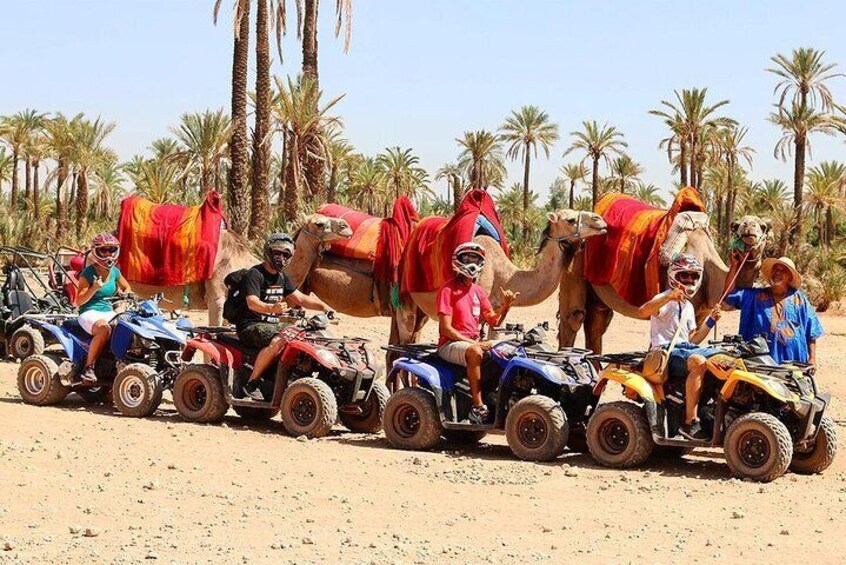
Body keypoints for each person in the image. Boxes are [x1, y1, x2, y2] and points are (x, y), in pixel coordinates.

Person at [233, 233, 332, 401]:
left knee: (306, 335)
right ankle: (252, 384)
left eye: (285, 255)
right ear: (268, 252)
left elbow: (301, 299)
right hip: (250, 326)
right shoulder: (255, 274)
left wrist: (325, 307)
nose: (281, 258)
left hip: (272, 325)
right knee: (282, 338)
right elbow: (252, 303)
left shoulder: (282, 277)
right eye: (277, 253)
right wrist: (272, 308)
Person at [637, 254, 721, 440]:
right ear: (674, 275)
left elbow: (694, 340)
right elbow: (643, 311)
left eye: (694, 276)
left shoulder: (689, 307)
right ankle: (690, 422)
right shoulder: (664, 299)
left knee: (722, 356)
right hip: (666, 351)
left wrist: (710, 321)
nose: (690, 280)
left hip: (685, 348)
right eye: (685, 275)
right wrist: (668, 298)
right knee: (698, 361)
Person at [436, 242, 518, 424]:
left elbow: (493, 320)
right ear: (458, 261)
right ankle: (477, 407)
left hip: (471, 342)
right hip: (449, 344)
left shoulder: (478, 291)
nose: (472, 263)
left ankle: (499, 398)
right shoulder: (447, 290)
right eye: (468, 258)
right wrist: (474, 343)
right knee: (475, 352)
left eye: (476, 259)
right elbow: (446, 329)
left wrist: (506, 306)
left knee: (508, 352)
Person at [720, 256, 823, 370]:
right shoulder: (755, 297)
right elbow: (729, 294)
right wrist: (734, 266)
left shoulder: (800, 299)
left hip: (795, 364)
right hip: (760, 365)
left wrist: (812, 359)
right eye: (775, 269)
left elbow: (811, 332)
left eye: (783, 270)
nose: (777, 272)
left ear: (790, 277)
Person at [75, 233, 133, 384]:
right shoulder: (87, 273)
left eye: (111, 250)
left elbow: (126, 287)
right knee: (104, 329)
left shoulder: (115, 272)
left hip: (108, 311)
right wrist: (93, 288)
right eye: (103, 250)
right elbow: (79, 301)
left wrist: (123, 295)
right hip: (90, 312)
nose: (108, 254)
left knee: (130, 327)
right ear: (96, 252)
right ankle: (89, 368)